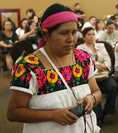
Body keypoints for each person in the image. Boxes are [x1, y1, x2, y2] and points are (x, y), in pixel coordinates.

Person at [7, 3, 101, 133]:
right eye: (64, 33)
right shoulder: (29, 67)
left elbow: (96, 91)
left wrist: (92, 98)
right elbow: (13, 112)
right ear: (46, 34)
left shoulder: (83, 59)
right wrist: (52, 115)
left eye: (74, 32)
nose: (71, 39)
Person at [77, 27, 118, 125]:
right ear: (84, 37)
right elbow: (82, 64)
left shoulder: (101, 45)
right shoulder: (80, 48)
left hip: (103, 75)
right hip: (90, 77)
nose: (92, 37)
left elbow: (108, 61)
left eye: (93, 34)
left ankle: (107, 112)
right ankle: (98, 117)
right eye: (89, 34)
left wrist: (102, 65)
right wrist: (96, 65)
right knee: (94, 91)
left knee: (114, 87)